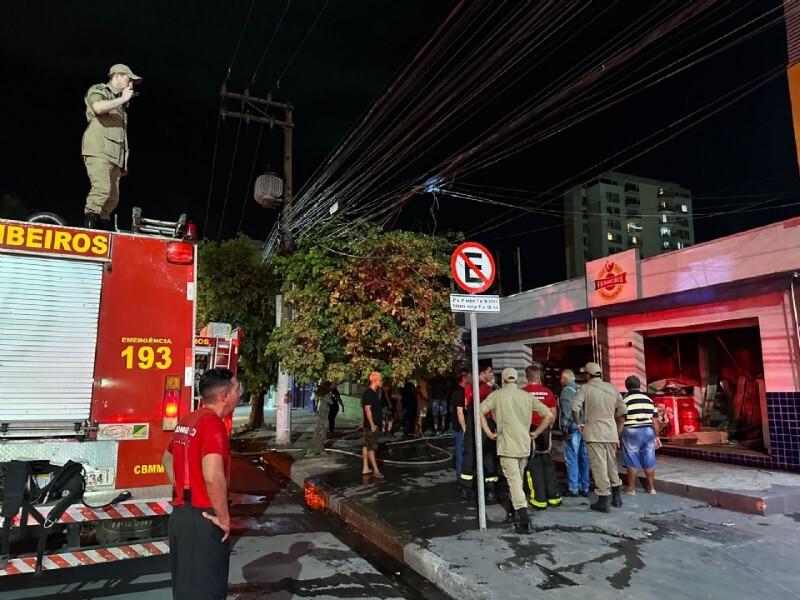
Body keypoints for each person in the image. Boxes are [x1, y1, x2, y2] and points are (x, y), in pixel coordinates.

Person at [162, 367, 240, 600]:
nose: (240, 395)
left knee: (185, 589)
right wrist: (224, 518)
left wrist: (182, 491)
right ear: (225, 395)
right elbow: (213, 475)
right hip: (205, 519)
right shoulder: (214, 425)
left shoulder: (188, 419)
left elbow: (166, 458)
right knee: (208, 590)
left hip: (180, 517)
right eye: (237, 389)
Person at [480, 368, 553, 534]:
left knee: (514, 482)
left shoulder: (496, 396)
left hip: (507, 445)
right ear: (516, 380)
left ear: (504, 380)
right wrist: (535, 432)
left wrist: (489, 433)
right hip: (524, 445)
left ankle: (524, 521)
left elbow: (480, 412)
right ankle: (513, 512)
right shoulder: (526, 396)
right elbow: (548, 415)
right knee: (517, 480)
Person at [82, 64, 142, 229]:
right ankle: (89, 227)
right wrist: (123, 98)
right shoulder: (100, 90)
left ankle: (102, 225)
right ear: (117, 76)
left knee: (112, 198)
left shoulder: (121, 107)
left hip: (115, 157)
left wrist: (124, 162)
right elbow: (97, 108)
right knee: (101, 189)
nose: (130, 85)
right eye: (129, 80)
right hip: (99, 150)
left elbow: (121, 135)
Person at [571, 362, 627, 513]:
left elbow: (575, 407)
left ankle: (603, 499)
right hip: (610, 431)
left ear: (587, 375)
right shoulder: (612, 388)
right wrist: (617, 430)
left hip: (594, 431)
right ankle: (617, 496)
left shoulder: (585, 388)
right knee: (611, 463)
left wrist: (578, 423)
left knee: (599, 465)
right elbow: (622, 411)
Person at [521, 364, 562, 510]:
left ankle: (539, 499)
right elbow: (552, 414)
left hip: (529, 431)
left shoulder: (522, 393)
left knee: (533, 465)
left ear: (527, 376)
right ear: (539, 376)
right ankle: (554, 496)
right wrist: (547, 429)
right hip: (544, 431)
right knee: (547, 462)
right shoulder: (548, 392)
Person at [459, 364, 499, 501]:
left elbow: (465, 406)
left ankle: (466, 488)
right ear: (483, 372)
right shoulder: (486, 389)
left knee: (469, 454)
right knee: (488, 455)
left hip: (471, 423)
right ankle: (491, 490)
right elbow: (492, 409)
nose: (492, 374)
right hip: (485, 423)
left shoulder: (470, 387)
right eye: (490, 371)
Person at [621, 375, 659, 495]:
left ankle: (631, 489)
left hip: (631, 431)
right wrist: (656, 436)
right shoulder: (649, 399)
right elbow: (655, 420)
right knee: (649, 458)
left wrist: (617, 434)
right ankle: (651, 488)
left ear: (627, 387)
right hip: (648, 431)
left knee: (632, 458)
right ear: (639, 386)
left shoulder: (624, 399)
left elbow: (621, 419)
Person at [559, 369, 590, 497]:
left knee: (572, 458)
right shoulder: (582, 389)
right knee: (584, 458)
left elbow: (568, 412)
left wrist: (565, 429)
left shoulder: (566, 391)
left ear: (564, 378)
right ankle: (585, 487)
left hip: (573, 428)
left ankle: (574, 488)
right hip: (585, 428)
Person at [361, 372, 384, 478]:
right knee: (371, 447)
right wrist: (372, 424)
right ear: (374, 380)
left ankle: (365, 467)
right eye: (380, 379)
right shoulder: (369, 393)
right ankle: (376, 470)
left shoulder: (373, 393)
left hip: (371, 424)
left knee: (366, 445)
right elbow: (367, 409)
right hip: (372, 425)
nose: (382, 381)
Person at [450, 370, 471, 480]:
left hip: (464, 427)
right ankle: (460, 478)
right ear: (464, 378)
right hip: (460, 429)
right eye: (469, 375)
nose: (471, 377)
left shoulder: (465, 390)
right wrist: (464, 429)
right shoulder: (459, 392)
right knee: (461, 453)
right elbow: (459, 412)